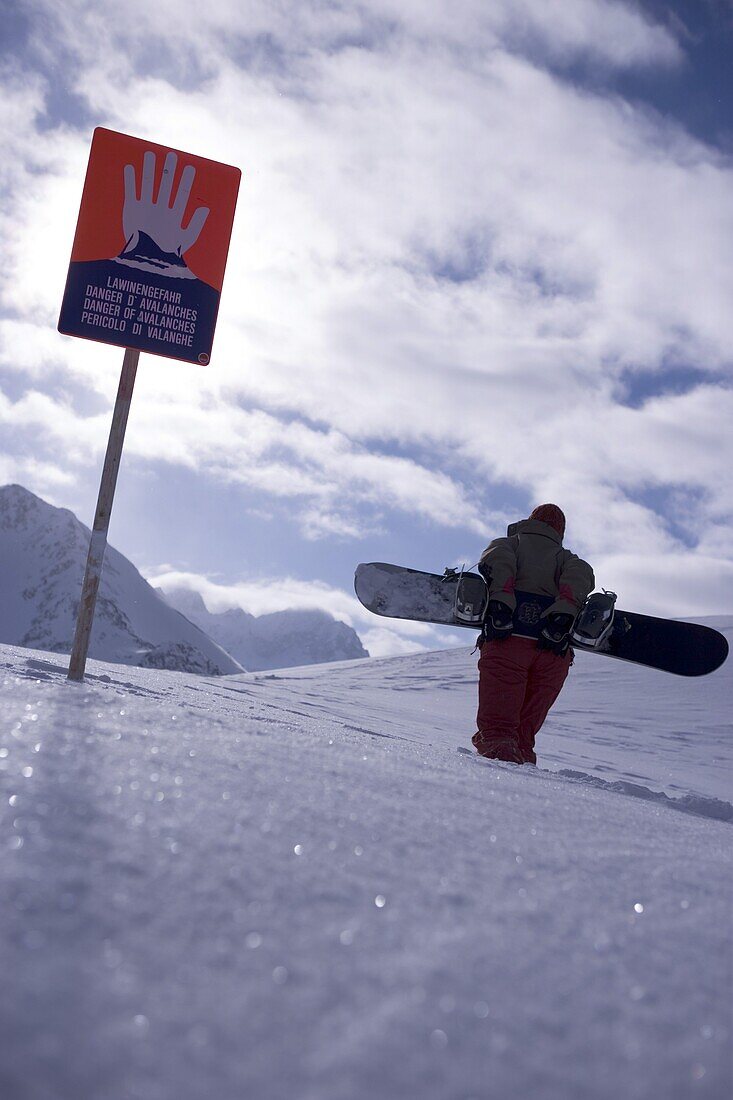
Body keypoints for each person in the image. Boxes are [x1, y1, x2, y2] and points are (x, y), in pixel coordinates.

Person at [472, 504, 594, 765]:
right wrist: (564, 612)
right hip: (554, 651)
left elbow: (497, 562)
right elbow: (581, 574)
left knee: (499, 735)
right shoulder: (568, 559)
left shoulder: (510, 544)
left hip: (508, 641)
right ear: (559, 531)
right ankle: (525, 775)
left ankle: (500, 792)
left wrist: (502, 601)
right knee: (523, 738)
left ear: (531, 521)